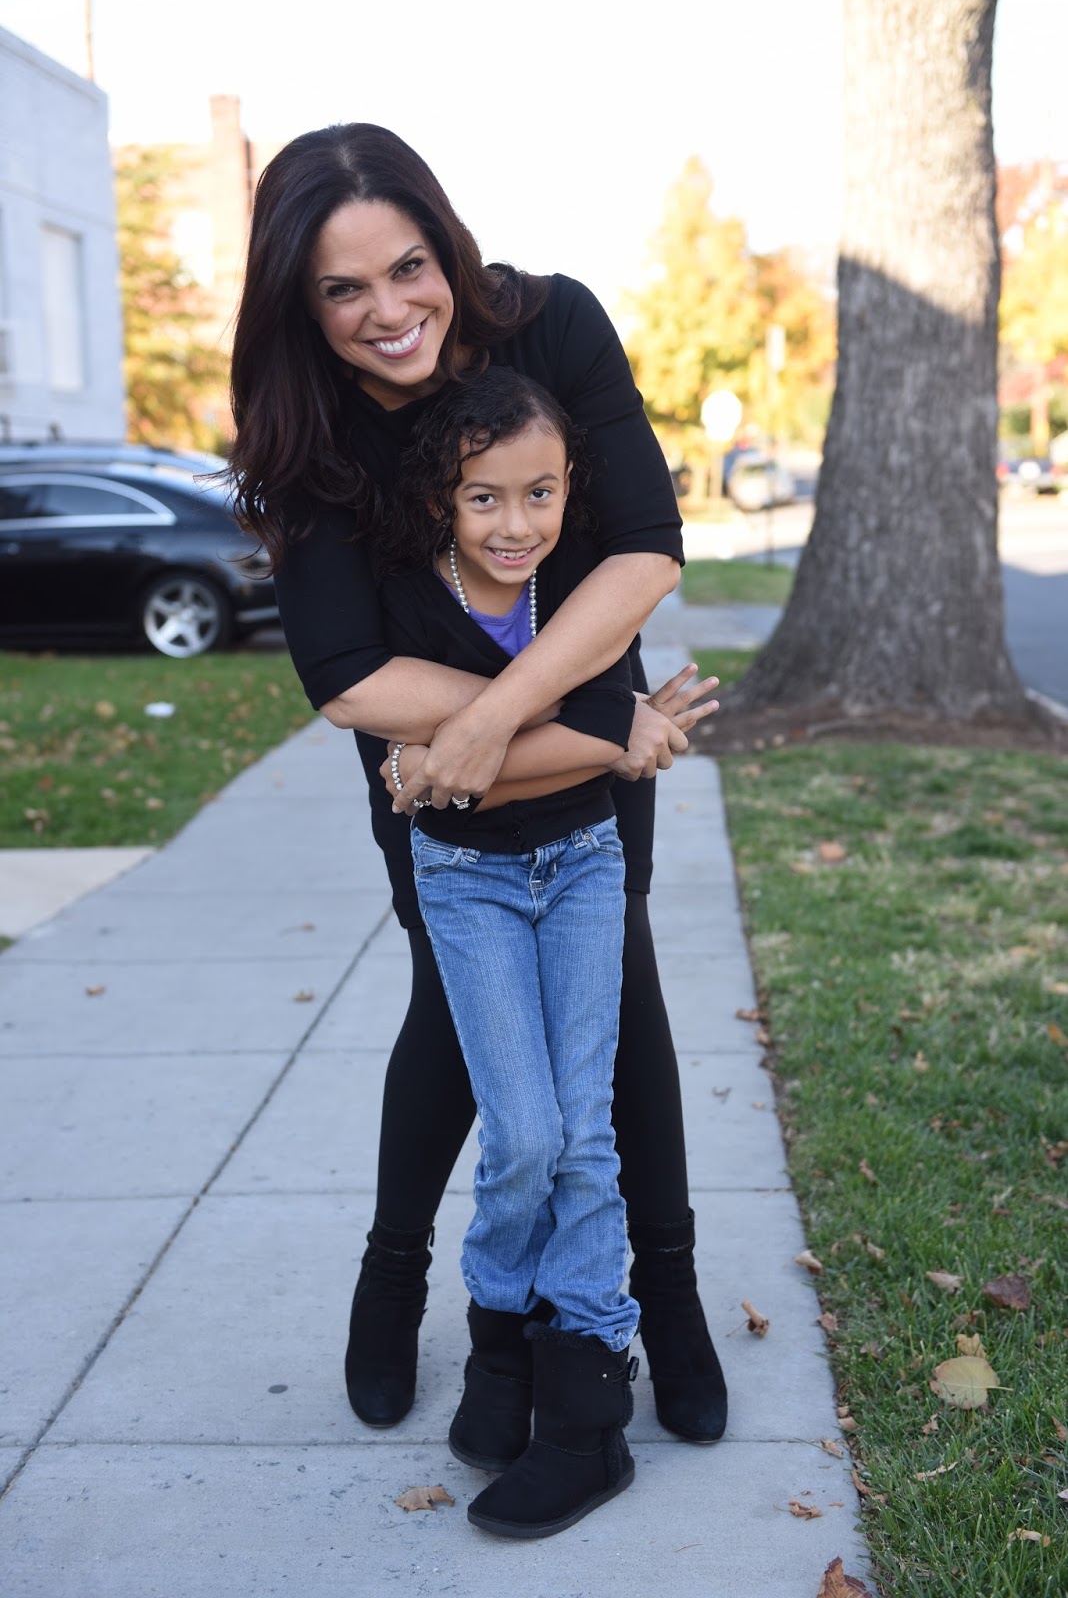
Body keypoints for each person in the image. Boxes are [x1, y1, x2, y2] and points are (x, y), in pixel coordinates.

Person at [227, 122, 729, 1450]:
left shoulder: (552, 329)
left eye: (407, 267)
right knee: (456, 1009)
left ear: (442, 245)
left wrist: (516, 718)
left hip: (547, 719)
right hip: (434, 754)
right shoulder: (306, 428)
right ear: (301, 303)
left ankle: (662, 1303)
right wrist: (593, 726)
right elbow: (345, 672)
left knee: (614, 996)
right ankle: (393, 1284)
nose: (388, 310)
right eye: (344, 289)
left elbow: (642, 553)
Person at [374, 368, 718, 1537]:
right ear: (441, 501)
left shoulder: (580, 594)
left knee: (582, 1133)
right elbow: (523, 753)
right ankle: (496, 1340)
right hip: (465, 888)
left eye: (542, 493)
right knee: (522, 1130)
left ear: (573, 489)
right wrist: (592, 735)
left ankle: (581, 1405)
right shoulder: (409, 607)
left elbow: (548, 747)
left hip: (580, 868)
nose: (517, 526)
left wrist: (593, 738)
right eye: (485, 499)